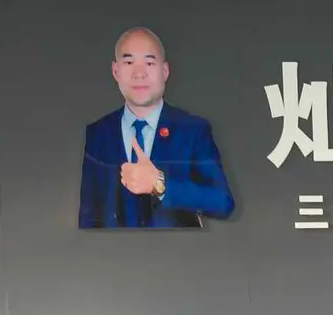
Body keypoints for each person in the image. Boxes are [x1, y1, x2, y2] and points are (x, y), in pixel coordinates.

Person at [78, 27, 235, 229]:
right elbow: (89, 216)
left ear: (165, 71)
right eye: (129, 62)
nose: (139, 73)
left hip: (177, 250)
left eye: (149, 63)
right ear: (115, 71)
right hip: (113, 250)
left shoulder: (193, 130)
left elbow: (222, 202)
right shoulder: (98, 133)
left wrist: (159, 184)